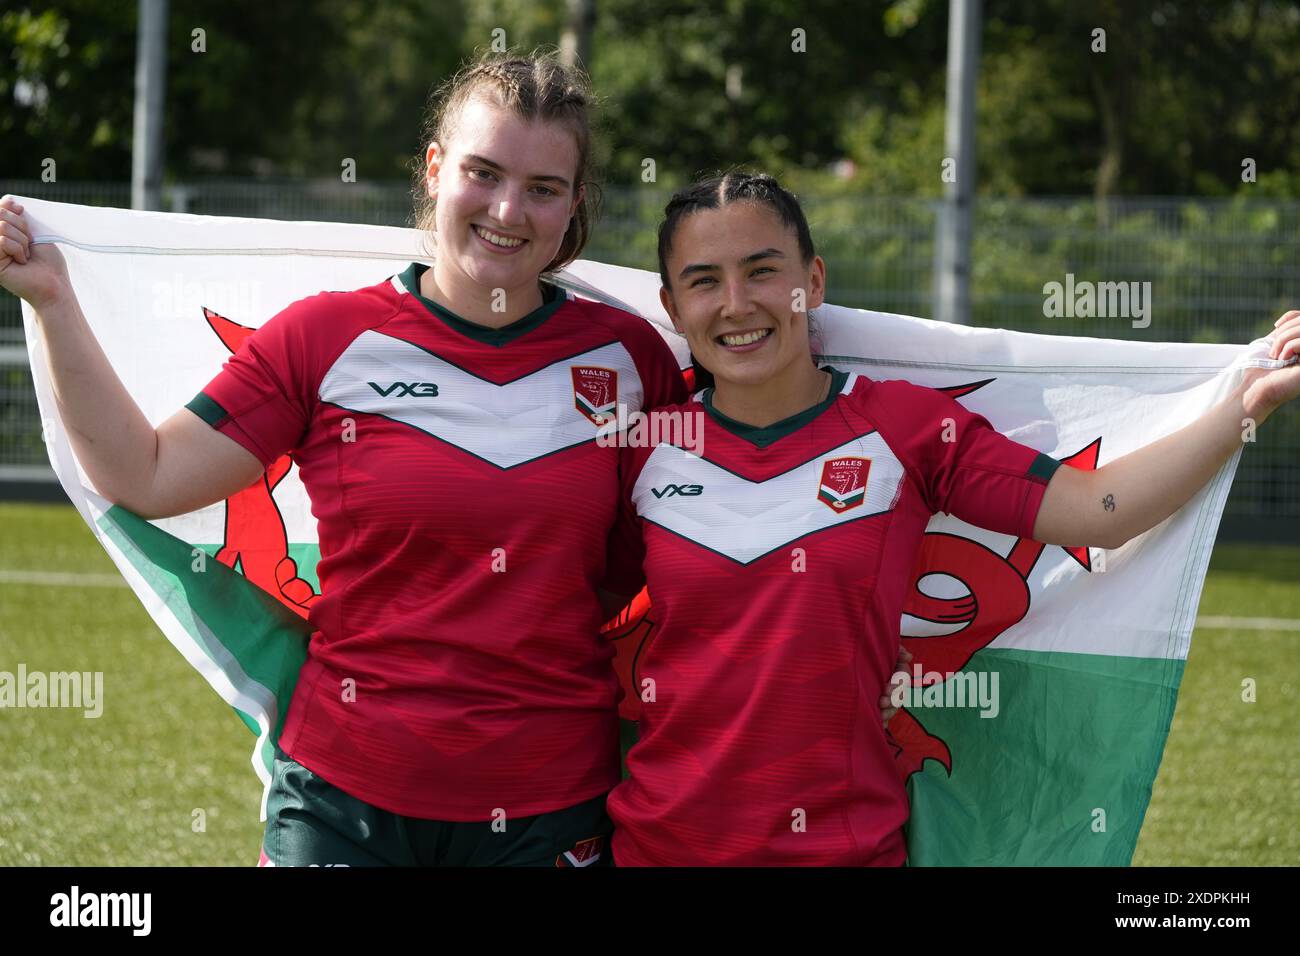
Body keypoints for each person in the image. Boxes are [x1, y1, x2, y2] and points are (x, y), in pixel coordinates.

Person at [0, 52, 698, 867]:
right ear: (436, 170)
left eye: (543, 188)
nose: (508, 209)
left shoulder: (632, 361)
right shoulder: (322, 339)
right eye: (484, 172)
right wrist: (50, 299)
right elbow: (145, 474)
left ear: (573, 204)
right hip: (343, 797)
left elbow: (683, 543)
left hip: (547, 809)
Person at [599, 171, 1300, 866]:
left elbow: (1100, 510)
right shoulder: (645, 448)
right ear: (672, 304)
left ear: (811, 282)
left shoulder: (904, 426)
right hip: (658, 849)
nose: (736, 303)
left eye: (761, 271)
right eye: (703, 281)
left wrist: (1248, 404)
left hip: (846, 851)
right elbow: (575, 613)